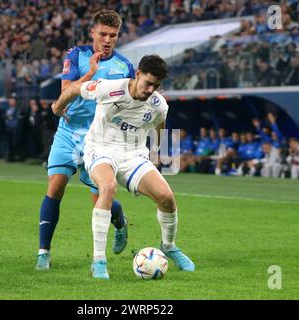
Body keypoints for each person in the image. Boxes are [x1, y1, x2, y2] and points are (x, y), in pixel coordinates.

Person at [52, 54, 195, 279]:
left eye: (156, 86)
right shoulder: (108, 88)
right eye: (148, 83)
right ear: (137, 74)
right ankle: (98, 260)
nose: (150, 90)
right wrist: (57, 107)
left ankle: (169, 246)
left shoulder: (158, 104)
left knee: (166, 197)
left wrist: (159, 153)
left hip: (134, 156)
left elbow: (160, 123)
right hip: (100, 149)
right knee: (107, 188)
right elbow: (74, 89)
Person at [36, 10, 135, 270]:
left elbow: (132, 100)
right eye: (102, 34)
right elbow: (65, 93)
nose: (107, 40)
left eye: (112, 36)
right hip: (69, 131)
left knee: (100, 197)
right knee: (55, 185)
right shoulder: (76, 56)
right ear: (93, 32)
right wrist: (89, 73)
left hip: (99, 137)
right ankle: (43, 253)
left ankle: (119, 220)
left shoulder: (125, 66)